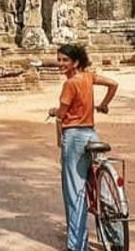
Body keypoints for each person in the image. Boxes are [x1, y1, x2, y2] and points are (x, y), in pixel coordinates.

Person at [47, 42, 118, 251]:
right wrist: (104, 104)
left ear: (75, 62)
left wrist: (54, 111)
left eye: (65, 60)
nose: (60, 64)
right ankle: (115, 235)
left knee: (74, 191)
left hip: (75, 136)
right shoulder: (88, 77)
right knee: (98, 187)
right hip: (91, 133)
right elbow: (113, 84)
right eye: (59, 60)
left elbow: (62, 113)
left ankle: (76, 246)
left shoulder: (70, 84)